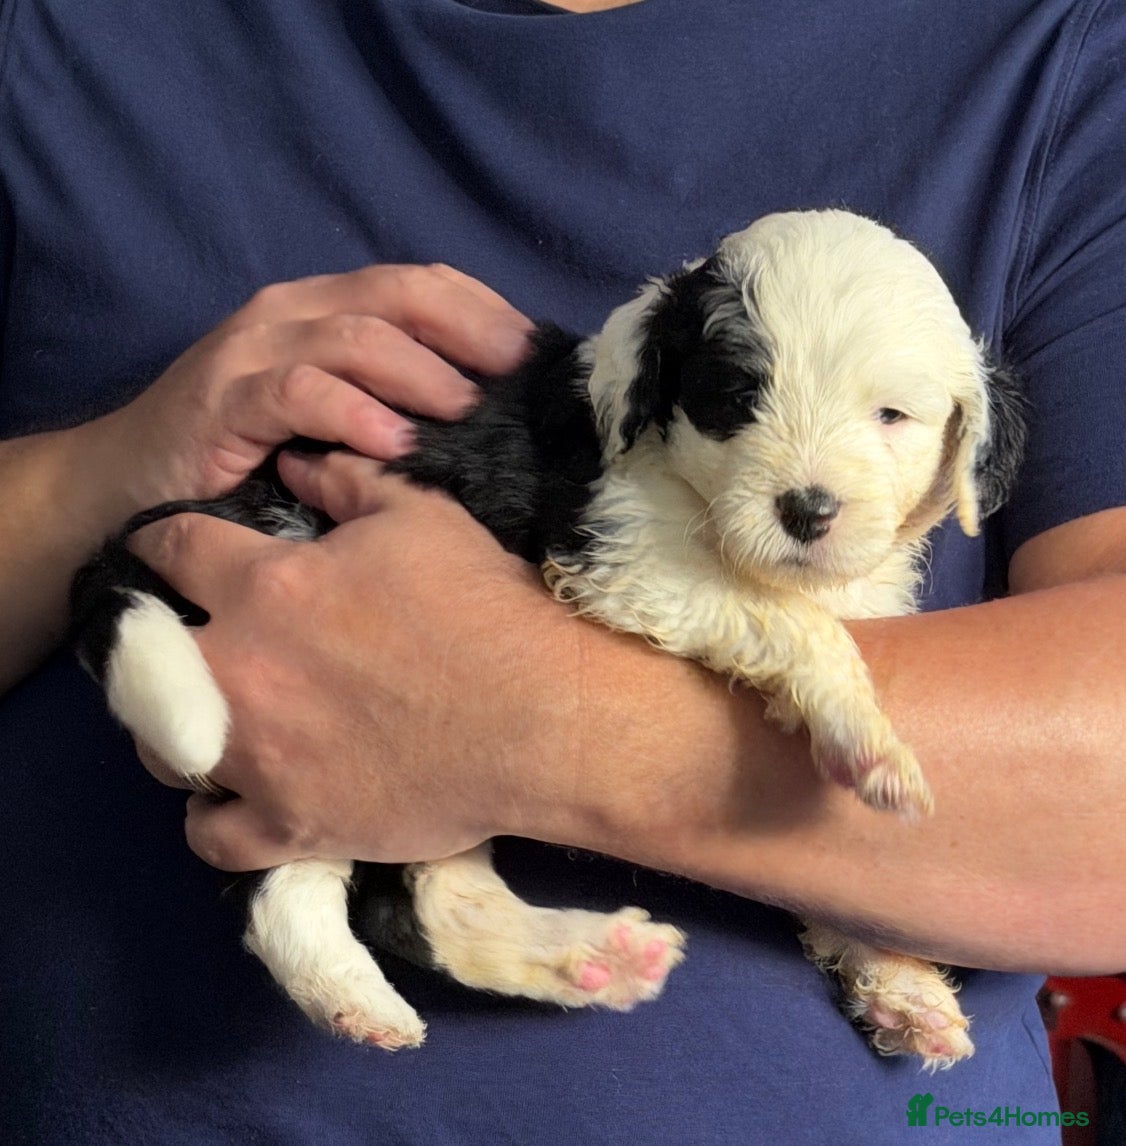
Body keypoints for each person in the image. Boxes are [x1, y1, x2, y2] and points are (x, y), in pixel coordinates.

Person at [1, 0, 1123, 1142]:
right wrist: (88, 476)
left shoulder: (1058, 58)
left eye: (890, 417)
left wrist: (513, 717)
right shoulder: (58, 40)